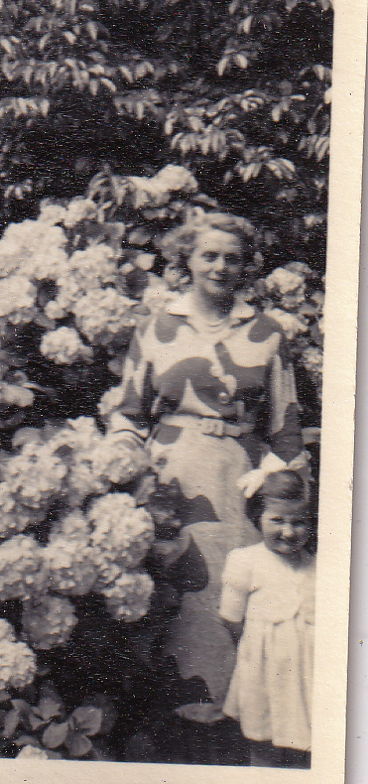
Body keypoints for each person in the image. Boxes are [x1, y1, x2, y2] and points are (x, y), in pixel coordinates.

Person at [108, 210, 307, 707]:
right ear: (187, 259)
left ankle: (229, 711)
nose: (220, 266)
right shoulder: (155, 328)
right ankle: (158, 709)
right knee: (168, 586)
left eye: (232, 259)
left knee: (228, 590)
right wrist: (120, 463)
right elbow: (129, 413)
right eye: (209, 255)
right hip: (169, 480)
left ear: (246, 268)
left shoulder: (266, 332)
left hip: (238, 482)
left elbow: (285, 424)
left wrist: (285, 490)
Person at [219, 470, 314, 767]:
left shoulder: (318, 566)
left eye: (298, 522)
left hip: (308, 674)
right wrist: (252, 652)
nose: (288, 531)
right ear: (258, 516)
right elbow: (231, 619)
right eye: (277, 520)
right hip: (264, 673)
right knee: (264, 747)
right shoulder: (246, 561)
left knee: (305, 748)